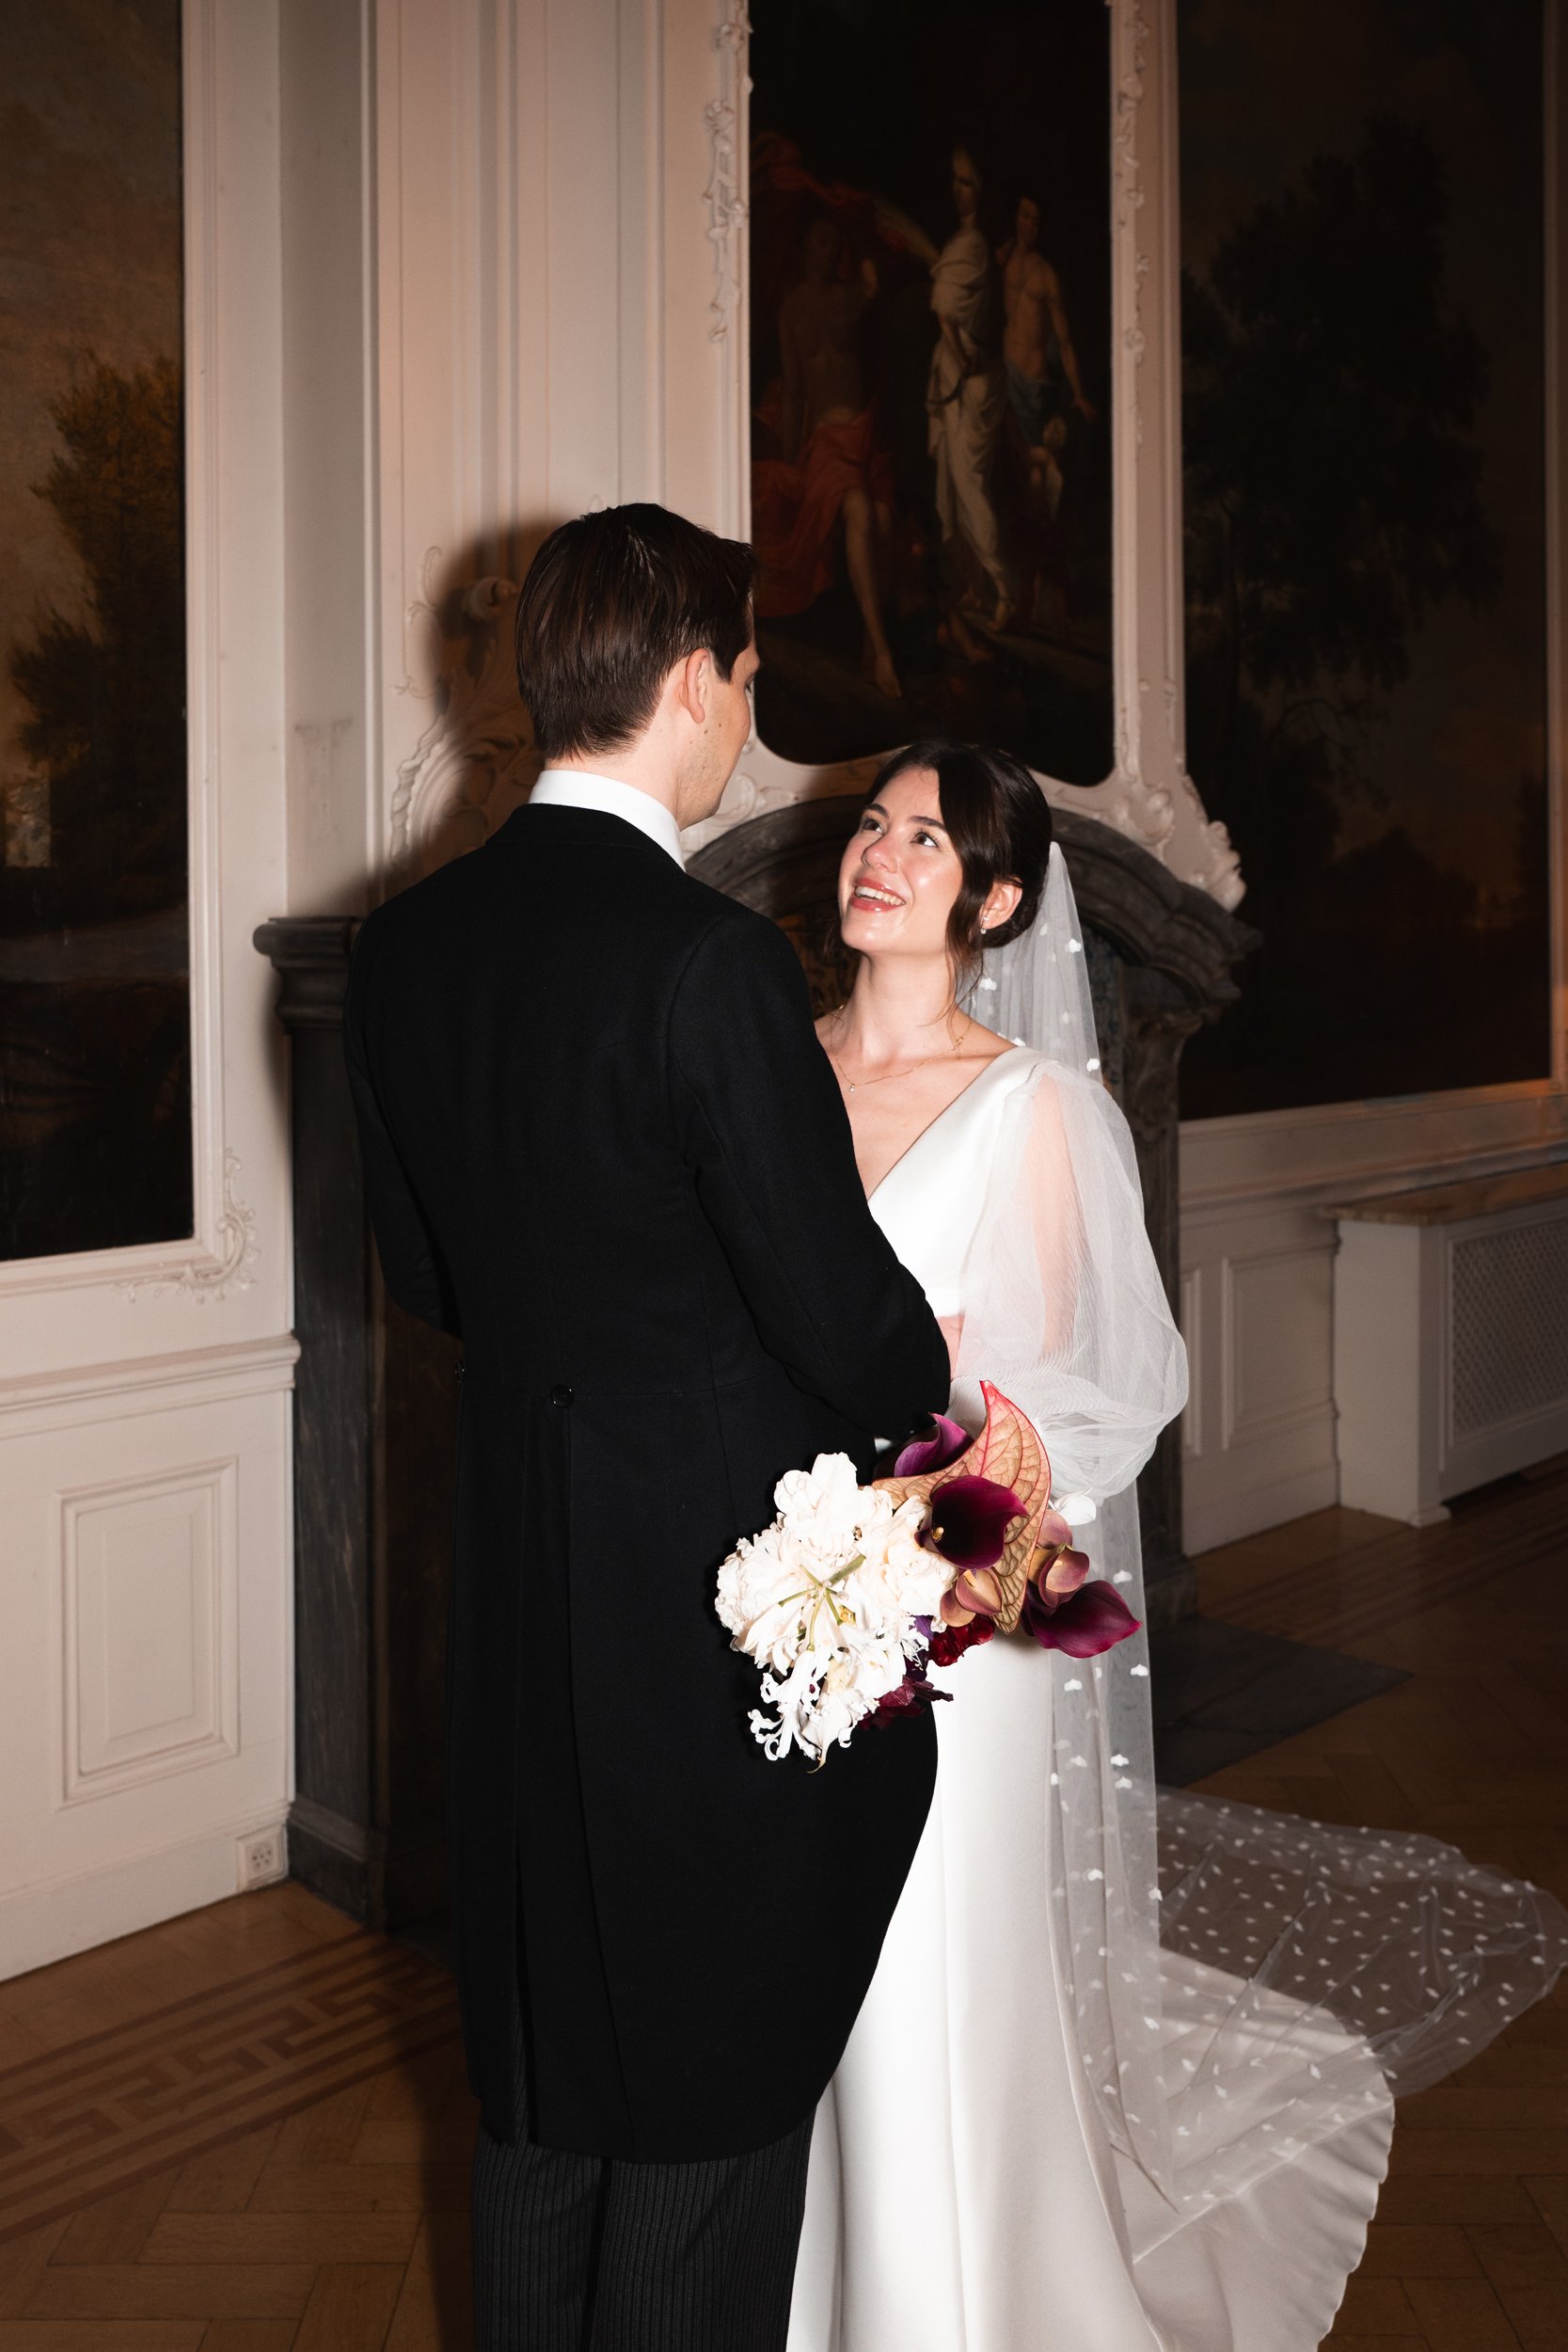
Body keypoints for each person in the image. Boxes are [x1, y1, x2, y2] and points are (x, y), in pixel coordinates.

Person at [786, 739, 1568, 2351]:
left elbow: (1092, 1391)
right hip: (777, 1598)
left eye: (924, 841)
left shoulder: (1038, 1106)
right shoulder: (771, 1074)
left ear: (994, 898)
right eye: (871, 825)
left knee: (924, 1981)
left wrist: (929, 1555)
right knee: (802, 1977)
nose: (878, 853)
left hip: (949, 1614)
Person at [343, 504, 951, 2352]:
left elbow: (425, 1272)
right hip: (704, 1611)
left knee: (540, 2090)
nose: (743, 708)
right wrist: (936, 1396)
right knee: (700, 2093)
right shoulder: (707, 964)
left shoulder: (403, 944)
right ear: (695, 681)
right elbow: (834, 1314)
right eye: (749, 678)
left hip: (518, 1587)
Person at [753, 214, 902, 699]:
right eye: (818, 237)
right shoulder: (793, 307)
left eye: (832, 240)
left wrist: (859, 226)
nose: (825, 247)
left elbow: (874, 281)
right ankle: (881, 651)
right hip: (825, 440)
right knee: (858, 508)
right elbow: (795, 388)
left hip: (865, 433)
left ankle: (868, 643)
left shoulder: (849, 298)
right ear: (804, 246)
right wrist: (796, 457)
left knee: (879, 518)